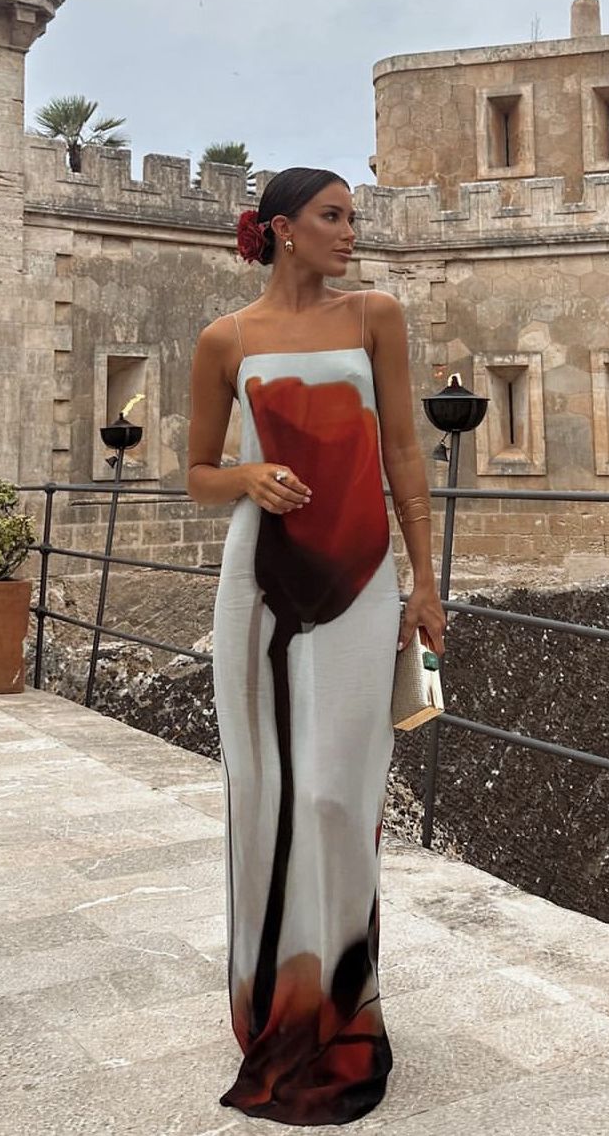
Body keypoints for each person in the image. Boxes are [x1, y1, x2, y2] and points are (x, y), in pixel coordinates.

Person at [187, 167, 445, 1126]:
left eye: (353, 216)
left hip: (364, 576)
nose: (351, 231)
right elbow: (196, 474)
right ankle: (269, 1007)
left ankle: (340, 1009)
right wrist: (247, 474)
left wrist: (426, 580)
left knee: (340, 792)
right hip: (255, 581)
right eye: (334, 217)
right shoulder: (227, 339)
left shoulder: (375, 314)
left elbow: (405, 453)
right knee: (259, 790)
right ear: (283, 230)